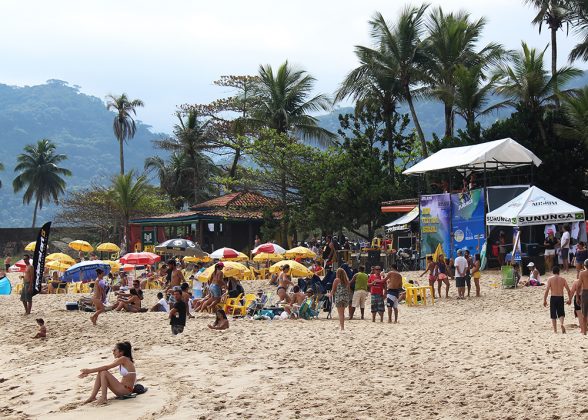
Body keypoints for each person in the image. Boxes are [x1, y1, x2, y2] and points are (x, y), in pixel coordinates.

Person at [543, 266, 572, 334]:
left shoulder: (550, 279)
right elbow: (568, 290)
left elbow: (547, 290)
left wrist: (544, 300)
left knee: (553, 314)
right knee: (561, 313)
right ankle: (561, 324)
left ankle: (555, 330)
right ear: (559, 272)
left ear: (553, 272)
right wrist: (570, 299)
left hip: (553, 297)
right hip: (560, 297)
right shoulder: (562, 279)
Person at [579, 259, 588, 335]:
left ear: (585, 266)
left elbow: (579, 284)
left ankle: (584, 331)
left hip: (585, 292)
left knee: (584, 313)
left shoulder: (582, 273)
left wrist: (578, 297)